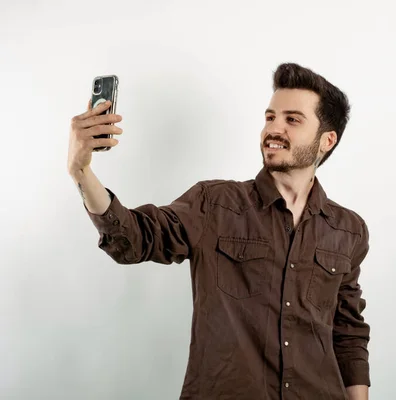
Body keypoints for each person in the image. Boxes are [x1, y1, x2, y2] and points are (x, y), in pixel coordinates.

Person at [67, 63, 371, 400]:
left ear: (327, 140)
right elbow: (135, 239)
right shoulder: (214, 204)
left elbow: (348, 334)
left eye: (292, 119)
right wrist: (81, 171)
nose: (274, 128)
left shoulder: (349, 229)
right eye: (270, 117)